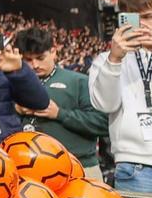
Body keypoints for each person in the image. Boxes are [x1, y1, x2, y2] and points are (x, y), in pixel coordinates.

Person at [92, 0, 152, 198]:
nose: (142, 25)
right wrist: (115, 59)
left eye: (148, 16)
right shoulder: (105, 60)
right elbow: (104, 104)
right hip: (136, 169)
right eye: (132, 18)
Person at [14, 27, 109, 181]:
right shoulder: (13, 82)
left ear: (53, 51)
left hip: (78, 167)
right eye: (28, 60)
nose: (35, 65)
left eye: (40, 57)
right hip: (26, 169)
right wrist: (15, 109)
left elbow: (102, 124)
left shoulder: (79, 81)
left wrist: (59, 113)